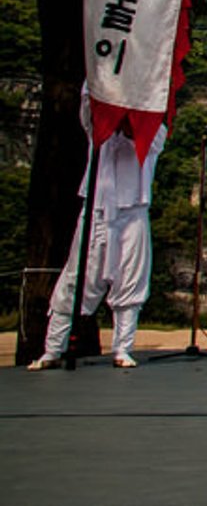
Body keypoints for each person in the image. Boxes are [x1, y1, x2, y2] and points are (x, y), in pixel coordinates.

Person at [29, 107, 166, 370]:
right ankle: (52, 349)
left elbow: (137, 132)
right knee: (75, 278)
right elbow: (89, 106)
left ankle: (123, 348)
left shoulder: (155, 130)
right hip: (97, 207)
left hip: (133, 208)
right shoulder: (98, 132)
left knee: (130, 278)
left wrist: (129, 112)